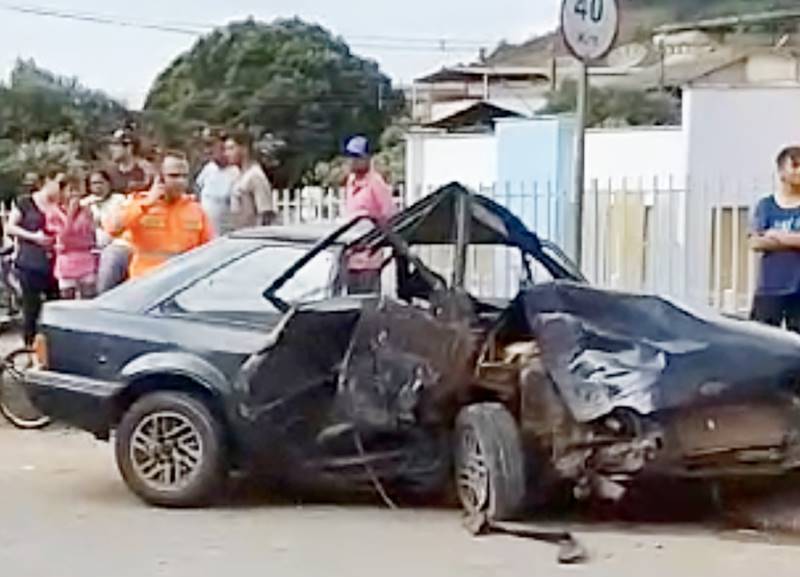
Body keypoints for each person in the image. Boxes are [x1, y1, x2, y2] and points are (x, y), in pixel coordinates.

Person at [106, 150, 214, 280]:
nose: (180, 182)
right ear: (159, 177)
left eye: (184, 176)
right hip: (146, 282)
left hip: (181, 283)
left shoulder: (195, 209)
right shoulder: (139, 203)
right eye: (174, 176)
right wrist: (147, 204)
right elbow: (113, 228)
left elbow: (208, 251)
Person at [6, 170, 62, 346]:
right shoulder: (25, 203)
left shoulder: (60, 205)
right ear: (47, 181)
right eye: (58, 184)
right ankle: (29, 346)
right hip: (30, 260)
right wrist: (33, 236)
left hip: (55, 261)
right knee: (31, 307)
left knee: (55, 305)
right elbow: (10, 227)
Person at [750, 146, 800, 331]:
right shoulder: (766, 206)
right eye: (795, 166)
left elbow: (767, 238)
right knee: (762, 344)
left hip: (799, 290)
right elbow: (756, 242)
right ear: (781, 172)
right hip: (770, 289)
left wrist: (777, 236)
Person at [342, 135, 396, 294]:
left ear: (367, 158)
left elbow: (390, 215)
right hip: (350, 257)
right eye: (350, 157)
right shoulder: (351, 181)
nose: (353, 161)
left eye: (357, 157)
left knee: (367, 305)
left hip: (369, 260)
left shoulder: (376, 183)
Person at [47, 174, 97, 299]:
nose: (74, 195)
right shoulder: (54, 212)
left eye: (77, 190)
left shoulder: (86, 211)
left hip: (85, 257)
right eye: (71, 190)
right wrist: (71, 214)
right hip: (66, 260)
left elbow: (89, 236)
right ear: (62, 192)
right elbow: (62, 236)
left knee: (89, 295)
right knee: (67, 296)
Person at [224, 131, 276, 229]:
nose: (227, 154)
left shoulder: (255, 176)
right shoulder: (238, 176)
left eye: (231, 148)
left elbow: (265, 213)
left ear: (244, 149)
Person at [197, 129, 239, 236]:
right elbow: (198, 191)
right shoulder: (208, 169)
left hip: (223, 237)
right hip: (203, 235)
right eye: (207, 146)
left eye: (213, 146)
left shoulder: (236, 174)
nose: (209, 150)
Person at [84, 169, 126, 250]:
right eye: (94, 183)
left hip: (116, 244)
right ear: (89, 186)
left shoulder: (120, 199)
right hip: (93, 246)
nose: (98, 186)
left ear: (108, 183)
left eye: (100, 182)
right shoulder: (85, 203)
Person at [108, 128, 150, 195]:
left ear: (129, 147)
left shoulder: (145, 171)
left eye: (116, 145)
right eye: (111, 145)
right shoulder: (110, 173)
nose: (111, 149)